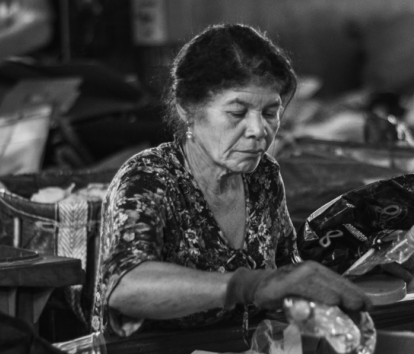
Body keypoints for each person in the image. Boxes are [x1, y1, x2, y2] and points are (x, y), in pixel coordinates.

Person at [92, 24, 371, 337]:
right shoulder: (150, 178)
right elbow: (124, 287)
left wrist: (359, 266)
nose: (258, 130)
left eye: (269, 112)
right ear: (188, 110)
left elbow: (283, 277)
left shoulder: (262, 176)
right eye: (238, 113)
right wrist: (247, 285)